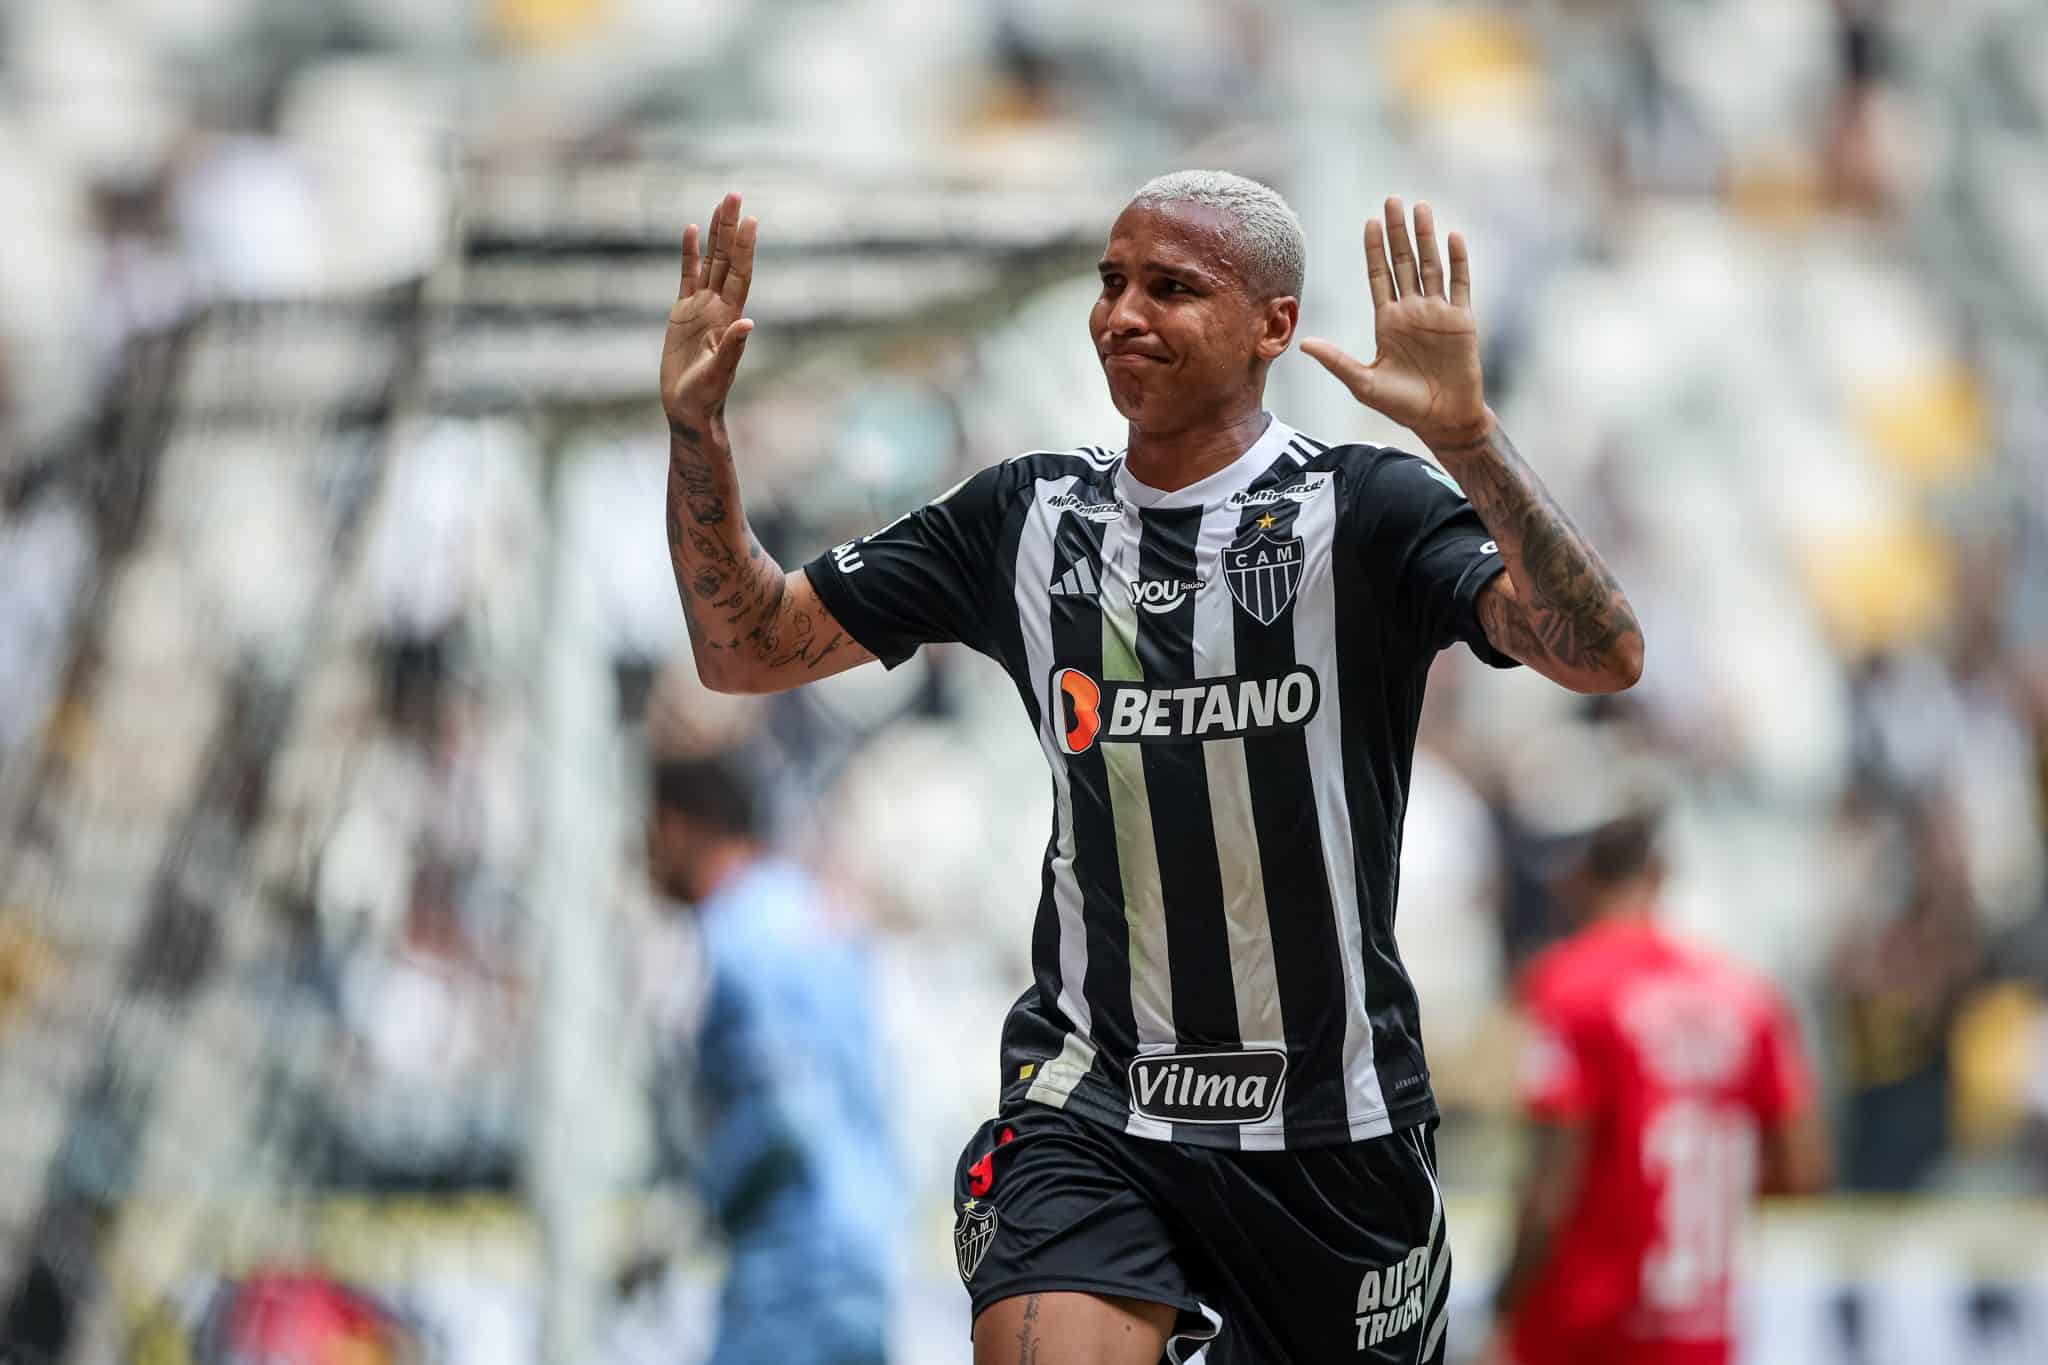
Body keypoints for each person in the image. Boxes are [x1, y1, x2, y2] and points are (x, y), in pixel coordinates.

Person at [659, 170, 1644, 1363]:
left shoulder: (1365, 507)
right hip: (1095, 1106)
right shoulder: (1023, 519)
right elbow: (743, 646)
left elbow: (1600, 653)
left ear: (1272, 325)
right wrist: (698, 435)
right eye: (1111, 282)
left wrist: (1469, 440)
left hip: (1334, 1129)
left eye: (1171, 288)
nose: (1122, 313)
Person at [1481, 807, 1830, 1365]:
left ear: (1576, 882)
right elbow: (1805, 1169)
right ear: (1661, 876)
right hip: (1701, 1330)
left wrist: (1502, 1310)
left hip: (1582, 1331)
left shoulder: (1569, 985)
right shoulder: (1746, 996)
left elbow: (1550, 1184)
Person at [644, 747, 898, 1365]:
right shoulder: (807, 909)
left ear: (680, 827)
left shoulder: (738, 933)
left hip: (790, 1265)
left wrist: (699, 1203)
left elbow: (787, 1107)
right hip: (864, 1251)